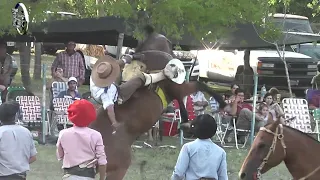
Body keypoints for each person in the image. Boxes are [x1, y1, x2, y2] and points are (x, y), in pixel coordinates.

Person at [90, 56, 186, 134]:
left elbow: (114, 65)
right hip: (119, 96)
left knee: (121, 70)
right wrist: (114, 123)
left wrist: (127, 58)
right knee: (139, 78)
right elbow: (109, 108)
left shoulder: (100, 72)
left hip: (112, 86)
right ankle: (164, 74)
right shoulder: (105, 94)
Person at [56, 99, 107, 180]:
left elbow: (60, 155)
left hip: (69, 176)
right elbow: (102, 162)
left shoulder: (63, 133)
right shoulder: (96, 135)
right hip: (88, 176)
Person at [171, 114, 228, 180]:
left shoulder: (188, 148)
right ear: (214, 130)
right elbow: (223, 177)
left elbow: (178, 173)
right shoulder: (221, 152)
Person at [0, 101, 37, 180]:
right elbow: (33, 157)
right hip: (21, 176)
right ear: (16, 115)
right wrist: (18, 165)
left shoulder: (1, 133)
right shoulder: (26, 131)